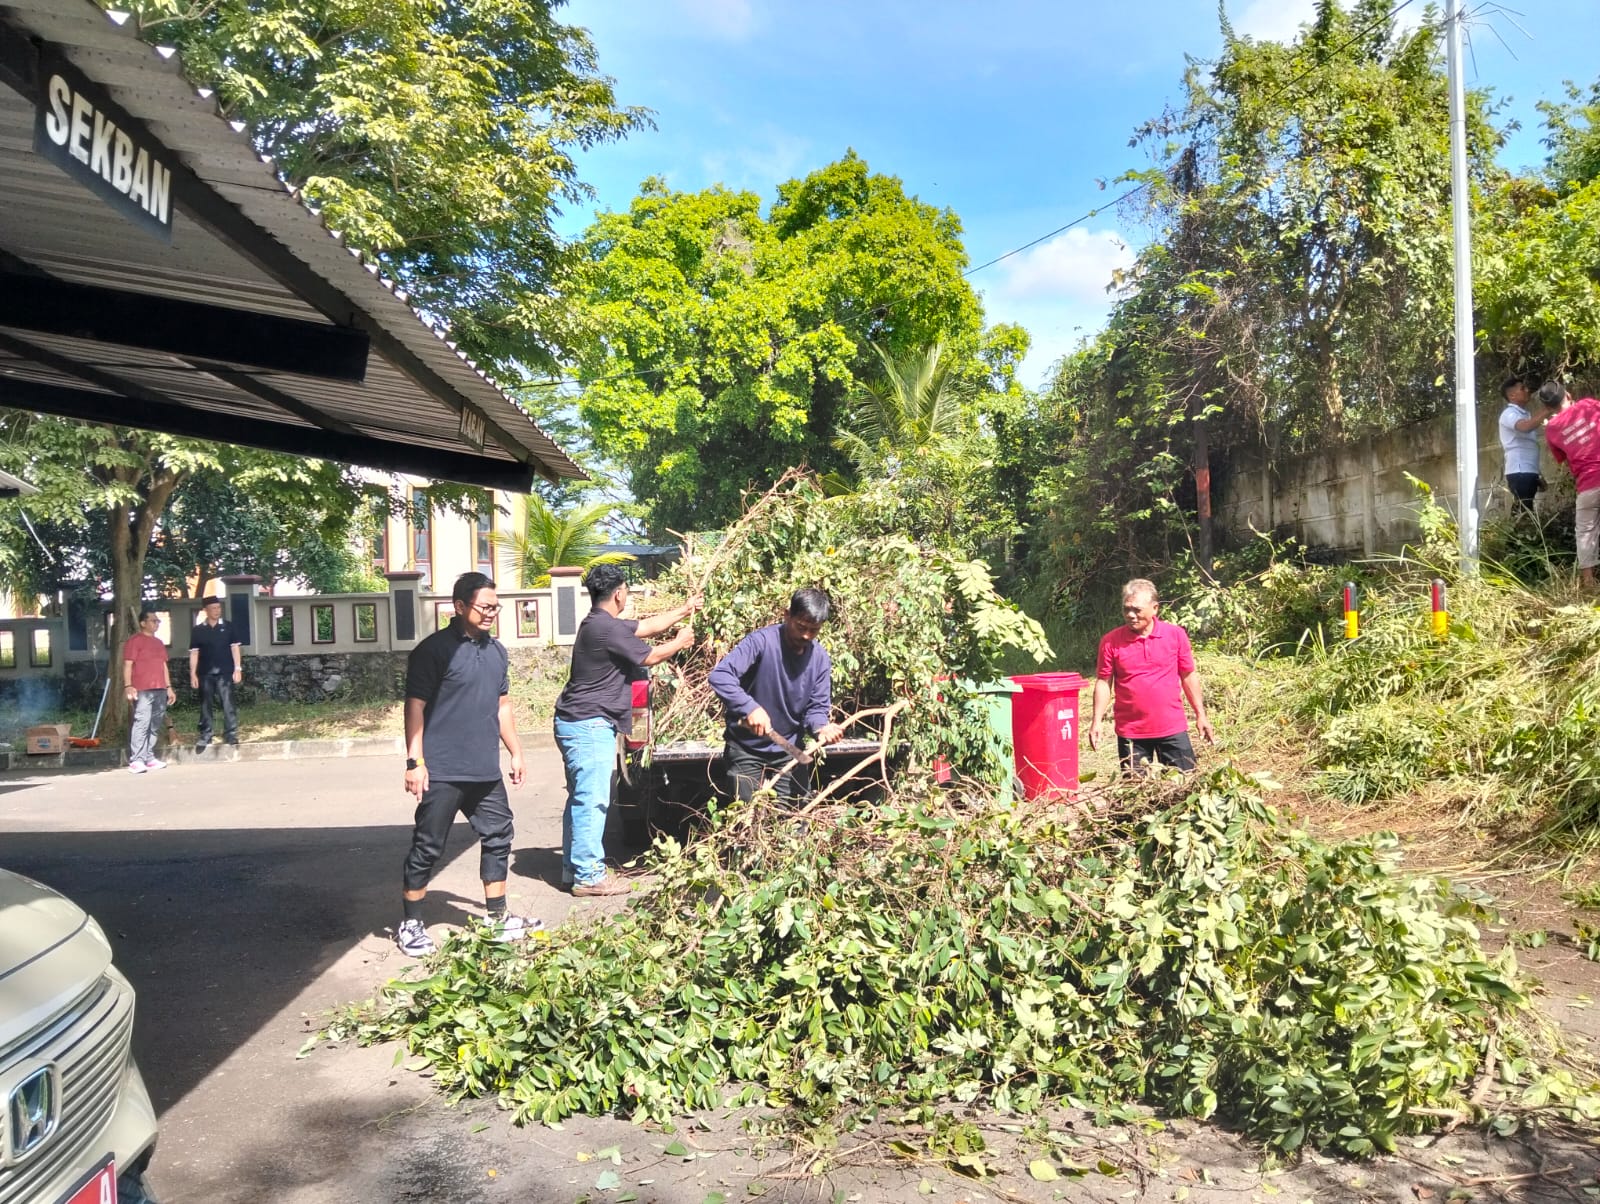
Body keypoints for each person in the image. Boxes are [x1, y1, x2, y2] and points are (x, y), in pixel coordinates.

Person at [396, 572, 535, 956]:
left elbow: (502, 705)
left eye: (495, 607)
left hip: (484, 769)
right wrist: (414, 761)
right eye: (484, 606)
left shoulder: (497, 652)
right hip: (441, 769)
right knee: (428, 846)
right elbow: (415, 706)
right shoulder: (433, 650)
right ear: (459, 606)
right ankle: (411, 923)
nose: (491, 613)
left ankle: (497, 917)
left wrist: (516, 751)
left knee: (499, 835)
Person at [553, 564, 700, 896]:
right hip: (589, 725)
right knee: (591, 801)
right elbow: (650, 657)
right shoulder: (606, 629)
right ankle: (589, 876)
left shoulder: (599, 623)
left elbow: (646, 627)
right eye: (627, 591)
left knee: (581, 799)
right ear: (619, 593)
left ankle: (573, 870)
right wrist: (680, 642)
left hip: (577, 721)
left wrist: (684, 609)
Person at [708, 587, 844, 804]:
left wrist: (822, 728)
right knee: (743, 815)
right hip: (746, 748)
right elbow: (721, 676)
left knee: (796, 815)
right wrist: (749, 708)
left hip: (789, 749)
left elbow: (816, 709)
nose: (806, 635)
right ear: (787, 615)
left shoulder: (820, 659)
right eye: (801, 627)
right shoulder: (761, 642)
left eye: (814, 630)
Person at [1088, 578, 1216, 774]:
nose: (1130, 615)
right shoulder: (1110, 642)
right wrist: (1096, 721)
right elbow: (1104, 682)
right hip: (1131, 732)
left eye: (1137, 610)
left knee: (1184, 784)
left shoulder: (1175, 635)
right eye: (1126, 609)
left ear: (1155, 608)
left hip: (1172, 728)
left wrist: (1201, 715)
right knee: (1136, 789)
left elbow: (1188, 676)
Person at [1541, 381, 1600, 590]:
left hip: (1587, 485)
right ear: (1568, 394)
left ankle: (1588, 583)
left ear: (1547, 407)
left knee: (1585, 531)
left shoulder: (1552, 429)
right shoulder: (1589, 405)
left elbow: (1562, 459)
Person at [123, 609, 174, 773]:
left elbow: (163, 666)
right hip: (142, 689)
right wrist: (128, 686)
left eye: (158, 621)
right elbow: (128, 665)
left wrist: (169, 687)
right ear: (143, 623)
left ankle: (148, 757)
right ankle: (136, 760)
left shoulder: (159, 643)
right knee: (142, 723)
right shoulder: (134, 641)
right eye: (153, 620)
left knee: (154, 724)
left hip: (160, 688)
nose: (157, 623)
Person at [188, 595, 241, 751]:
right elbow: (194, 653)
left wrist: (238, 668)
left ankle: (230, 734)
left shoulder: (229, 626)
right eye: (213, 608)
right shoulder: (198, 630)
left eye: (218, 608)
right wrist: (193, 674)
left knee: (228, 703)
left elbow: (235, 648)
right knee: (206, 704)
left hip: (225, 672)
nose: (217, 611)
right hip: (205, 673)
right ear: (206, 610)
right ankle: (206, 734)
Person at [1498, 377, 1550, 516]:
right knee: (1524, 510)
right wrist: (1547, 409)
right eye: (1522, 388)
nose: (1527, 390)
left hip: (1527, 470)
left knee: (1523, 509)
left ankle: (1517, 529)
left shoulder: (1524, 414)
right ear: (1512, 396)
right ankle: (1518, 529)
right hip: (1520, 471)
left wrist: (1537, 473)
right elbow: (1525, 427)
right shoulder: (1509, 413)